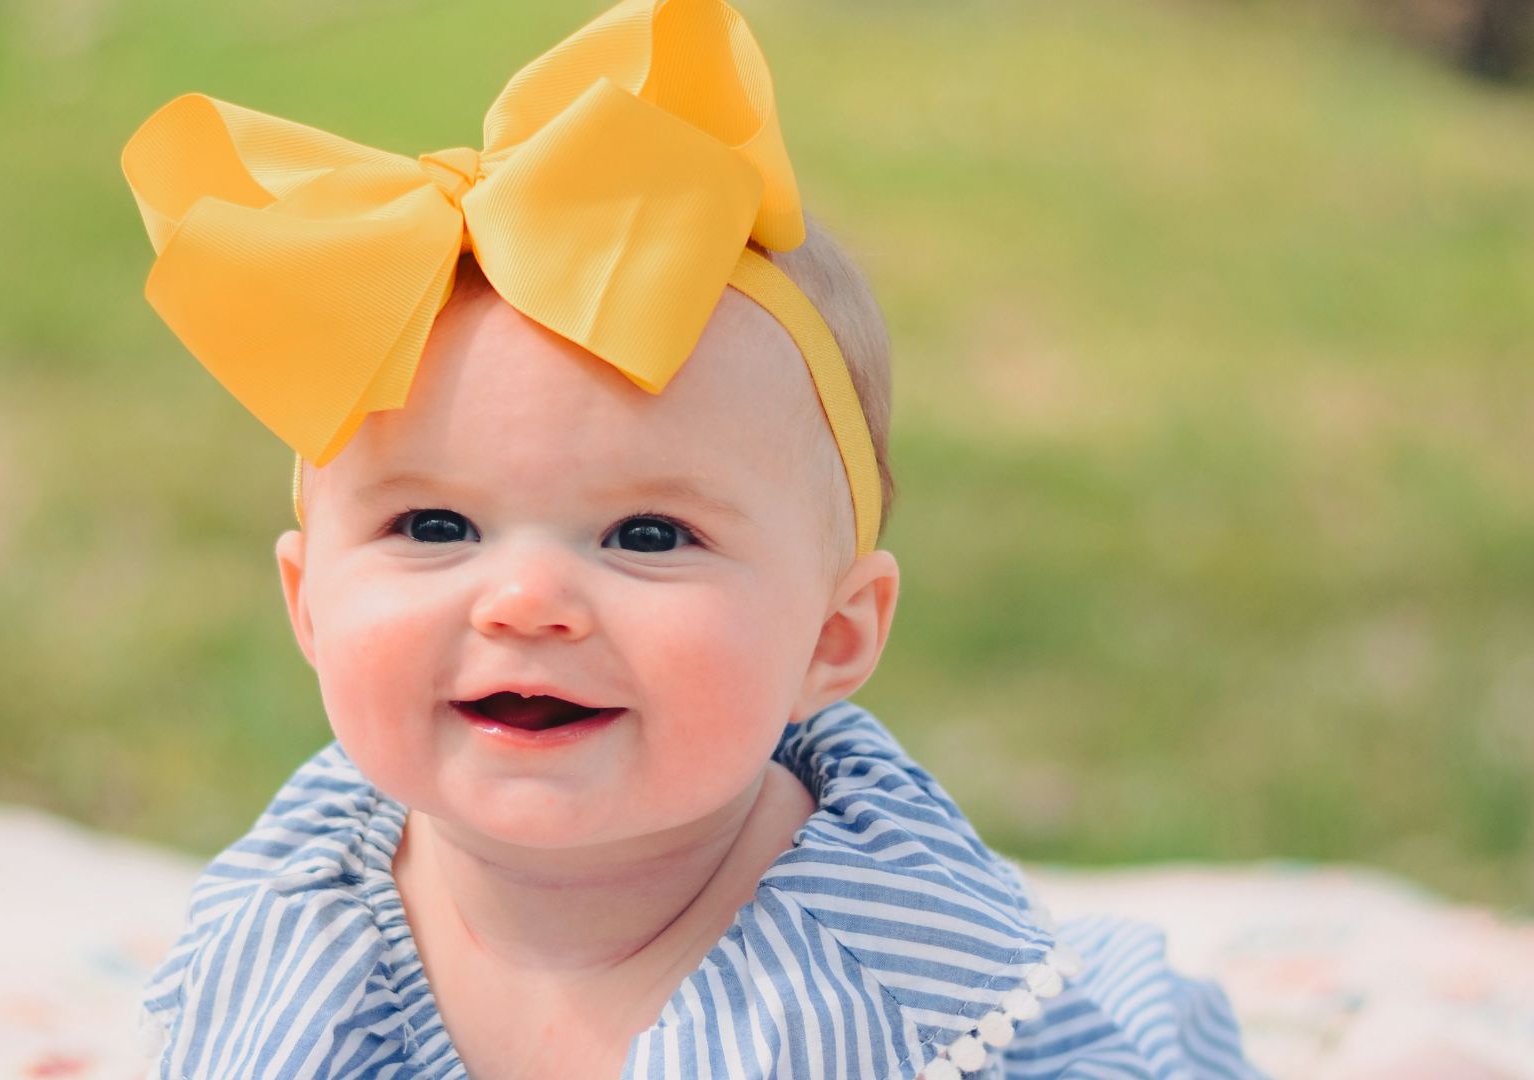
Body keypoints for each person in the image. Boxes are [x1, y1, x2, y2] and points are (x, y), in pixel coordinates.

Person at [117, 1, 1265, 1076]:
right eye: (433, 525)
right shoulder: (297, 914)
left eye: (649, 534)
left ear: (833, 635)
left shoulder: (891, 970)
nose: (524, 598)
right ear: (308, 601)